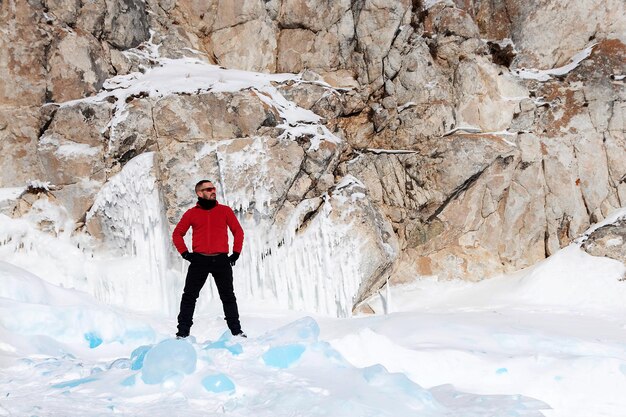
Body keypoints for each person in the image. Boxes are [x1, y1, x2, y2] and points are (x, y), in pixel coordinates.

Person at [172, 179, 246, 338]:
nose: (213, 191)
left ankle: (237, 332)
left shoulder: (225, 211)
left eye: (214, 188)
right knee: (189, 297)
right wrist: (185, 253)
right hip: (199, 261)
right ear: (199, 193)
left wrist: (236, 252)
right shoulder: (191, 213)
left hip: (221, 260)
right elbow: (177, 234)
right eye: (208, 189)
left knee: (228, 296)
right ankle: (182, 333)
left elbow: (238, 231)